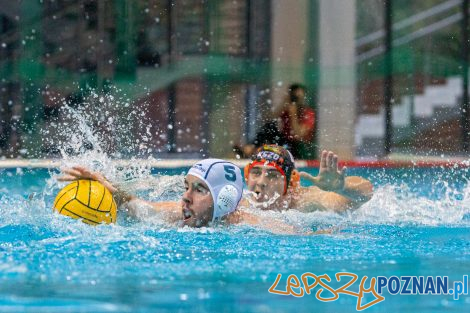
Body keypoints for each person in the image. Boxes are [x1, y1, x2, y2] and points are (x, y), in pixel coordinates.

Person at [58, 158, 297, 233]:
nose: (185, 197)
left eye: (200, 189)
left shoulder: (253, 226)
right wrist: (112, 190)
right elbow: (139, 207)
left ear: (223, 200)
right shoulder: (177, 213)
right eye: (187, 186)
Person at [242, 144, 373, 212]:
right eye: (256, 172)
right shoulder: (239, 203)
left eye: (273, 175)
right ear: (247, 175)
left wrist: (342, 188)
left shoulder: (304, 201)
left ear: (290, 182)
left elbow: (367, 192)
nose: (261, 182)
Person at [233, 83, 315, 159]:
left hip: (297, 147)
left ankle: (251, 151)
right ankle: (251, 148)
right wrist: (284, 103)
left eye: (298, 97)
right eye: (294, 97)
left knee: (281, 140)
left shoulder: (308, 113)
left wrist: (293, 116)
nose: (296, 100)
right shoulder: (287, 109)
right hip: (284, 143)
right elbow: (269, 118)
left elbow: (298, 135)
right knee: (270, 126)